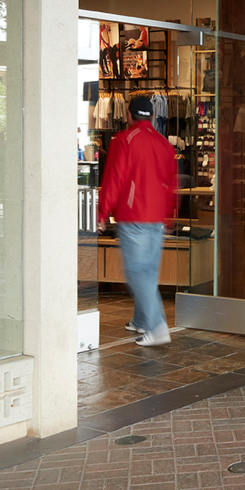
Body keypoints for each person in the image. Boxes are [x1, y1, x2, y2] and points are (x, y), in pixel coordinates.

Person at [98, 95, 179, 346]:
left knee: (137, 273)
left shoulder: (123, 140)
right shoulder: (165, 144)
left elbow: (114, 178)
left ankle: (156, 327)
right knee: (148, 272)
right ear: (153, 117)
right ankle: (141, 320)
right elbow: (171, 184)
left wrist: (102, 212)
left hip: (133, 215)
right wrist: (169, 217)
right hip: (156, 218)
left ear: (128, 116)